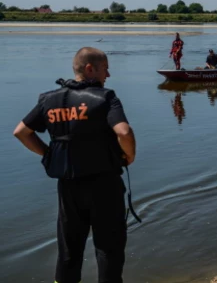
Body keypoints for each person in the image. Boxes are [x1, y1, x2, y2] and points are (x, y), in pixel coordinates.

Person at [12, 47, 136, 283]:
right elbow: (124, 131)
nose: (107, 75)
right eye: (105, 69)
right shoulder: (106, 97)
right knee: (108, 247)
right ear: (90, 69)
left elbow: (21, 132)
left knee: (69, 248)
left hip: (69, 187)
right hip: (104, 185)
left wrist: (48, 154)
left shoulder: (48, 99)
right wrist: (129, 156)